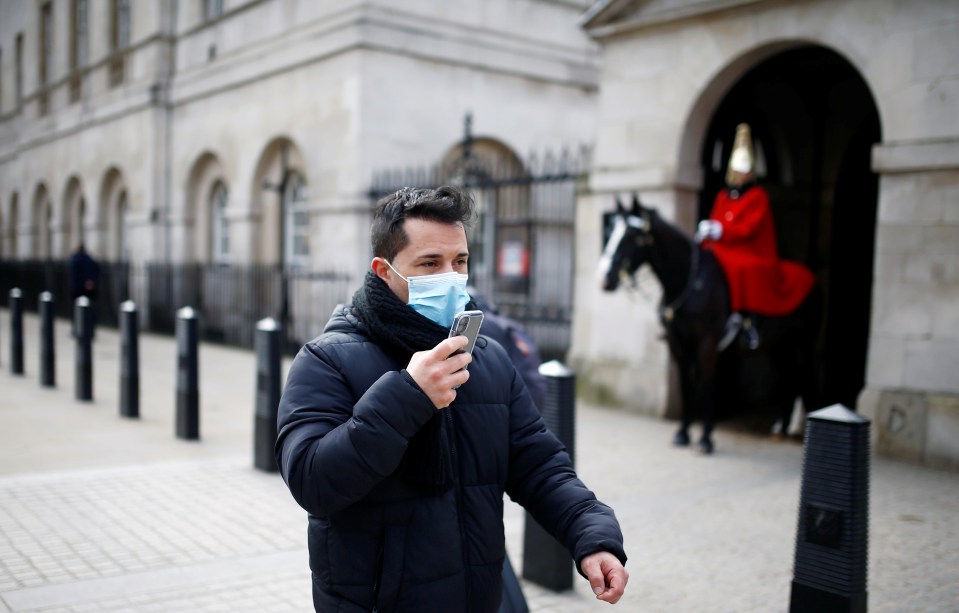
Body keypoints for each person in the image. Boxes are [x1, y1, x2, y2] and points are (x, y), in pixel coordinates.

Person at [275, 185, 628, 612]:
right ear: (384, 271)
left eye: (459, 262)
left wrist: (590, 534)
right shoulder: (326, 360)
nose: (450, 276)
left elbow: (539, 465)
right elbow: (313, 481)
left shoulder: (486, 357)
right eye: (430, 263)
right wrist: (408, 395)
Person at [695, 123, 815, 350]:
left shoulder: (757, 196)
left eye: (745, 171)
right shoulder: (724, 195)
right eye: (738, 171)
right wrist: (708, 230)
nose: (741, 176)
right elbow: (716, 218)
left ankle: (744, 321)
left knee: (740, 268)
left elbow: (749, 229)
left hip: (749, 250)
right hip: (722, 246)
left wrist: (721, 230)